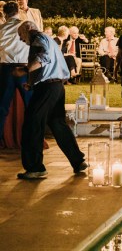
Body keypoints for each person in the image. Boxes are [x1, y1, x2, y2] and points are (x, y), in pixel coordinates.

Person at [16, 21, 86, 180]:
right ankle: (78, 161)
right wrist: (31, 83)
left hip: (48, 88)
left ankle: (35, 167)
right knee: (57, 123)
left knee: (33, 123)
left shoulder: (37, 38)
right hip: (57, 87)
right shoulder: (49, 40)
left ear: (28, 29)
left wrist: (25, 70)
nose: (21, 40)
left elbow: (43, 58)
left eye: (21, 35)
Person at [0, 2, 31, 147]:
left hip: (6, 68)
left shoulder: (1, 28)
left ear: (5, 13)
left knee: (2, 107)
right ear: (17, 11)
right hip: (24, 68)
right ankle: (31, 139)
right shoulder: (26, 25)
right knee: (30, 106)